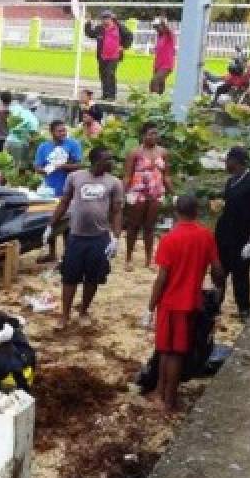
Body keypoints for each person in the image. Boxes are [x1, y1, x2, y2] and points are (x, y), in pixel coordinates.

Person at [145, 195, 223, 412]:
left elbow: (162, 277)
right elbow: (217, 269)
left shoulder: (170, 239)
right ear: (196, 211)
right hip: (192, 302)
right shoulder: (206, 235)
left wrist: (150, 307)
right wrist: (218, 290)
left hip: (171, 302)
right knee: (172, 349)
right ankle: (161, 392)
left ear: (176, 212)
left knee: (169, 351)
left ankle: (168, 398)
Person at [49, 148, 124, 329]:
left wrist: (115, 237)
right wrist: (50, 225)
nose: (111, 163)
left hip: (99, 237)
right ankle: (65, 315)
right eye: (107, 159)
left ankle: (83, 311)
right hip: (76, 236)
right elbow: (64, 202)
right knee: (69, 277)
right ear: (96, 161)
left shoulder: (114, 182)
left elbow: (116, 211)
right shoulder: (75, 177)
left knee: (93, 277)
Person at [212, 147, 250, 319]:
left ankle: (244, 309)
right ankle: (215, 305)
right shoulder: (230, 181)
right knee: (219, 271)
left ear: (235, 161)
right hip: (224, 234)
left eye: (227, 160)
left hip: (242, 236)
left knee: (240, 275)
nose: (226, 164)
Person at [123, 122, 171, 269]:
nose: (154, 136)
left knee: (150, 227)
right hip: (137, 193)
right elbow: (127, 176)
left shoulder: (163, 152)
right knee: (133, 226)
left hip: (155, 193)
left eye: (156, 133)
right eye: (151, 134)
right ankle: (129, 258)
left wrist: (173, 194)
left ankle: (149, 259)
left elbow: (166, 175)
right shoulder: (135, 153)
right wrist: (122, 193)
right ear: (143, 135)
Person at [34, 120, 84, 262]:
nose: (63, 133)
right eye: (59, 131)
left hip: (68, 188)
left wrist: (63, 166)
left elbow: (79, 165)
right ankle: (52, 253)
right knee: (52, 219)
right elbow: (37, 166)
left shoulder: (73, 145)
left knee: (67, 221)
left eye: (64, 130)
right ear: (52, 132)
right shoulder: (44, 147)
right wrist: (44, 170)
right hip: (50, 189)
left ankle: (67, 254)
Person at [84, 10, 133, 100]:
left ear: (112, 19)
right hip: (102, 56)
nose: (105, 21)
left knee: (110, 74)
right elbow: (90, 34)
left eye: (107, 18)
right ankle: (105, 95)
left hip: (114, 56)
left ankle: (112, 96)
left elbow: (129, 35)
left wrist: (123, 47)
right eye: (103, 18)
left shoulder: (119, 27)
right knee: (103, 75)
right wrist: (88, 22)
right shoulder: (100, 28)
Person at [150, 17, 176, 94]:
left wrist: (163, 23)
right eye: (155, 27)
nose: (156, 29)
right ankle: (160, 101)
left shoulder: (169, 36)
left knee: (154, 82)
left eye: (158, 26)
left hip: (166, 65)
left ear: (163, 26)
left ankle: (153, 100)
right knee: (160, 84)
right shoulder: (159, 36)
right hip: (158, 65)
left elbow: (168, 30)